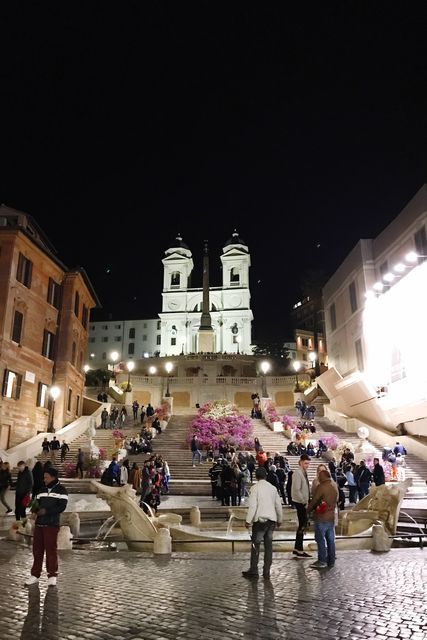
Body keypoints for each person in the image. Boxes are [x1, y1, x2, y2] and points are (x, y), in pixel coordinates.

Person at [25, 466, 68, 587]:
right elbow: (36, 504)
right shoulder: (41, 490)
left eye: (46, 477)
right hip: (39, 524)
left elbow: (61, 507)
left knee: (51, 550)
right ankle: (35, 574)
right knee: (37, 550)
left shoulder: (62, 490)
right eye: (44, 477)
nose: (44, 479)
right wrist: (33, 512)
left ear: (53, 477)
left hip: (52, 524)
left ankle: (52, 575)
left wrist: (46, 511)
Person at [242, 466, 283, 580]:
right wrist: (280, 519)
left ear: (256, 476)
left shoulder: (255, 488)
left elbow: (253, 506)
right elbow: (278, 506)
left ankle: (254, 569)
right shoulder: (273, 488)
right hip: (271, 521)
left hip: (259, 522)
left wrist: (248, 520)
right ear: (266, 476)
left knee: (255, 546)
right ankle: (267, 571)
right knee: (268, 546)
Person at [306, 468, 338, 569]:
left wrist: (307, 510)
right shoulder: (334, 486)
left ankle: (322, 560)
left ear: (322, 477)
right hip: (331, 517)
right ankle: (331, 560)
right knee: (330, 540)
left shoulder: (322, 487)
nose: (318, 478)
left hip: (321, 517)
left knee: (320, 540)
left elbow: (315, 500)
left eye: (319, 477)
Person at [291, 454, 312, 557]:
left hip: (303, 502)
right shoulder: (297, 473)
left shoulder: (303, 472)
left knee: (302, 525)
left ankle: (298, 548)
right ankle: (299, 549)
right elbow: (296, 489)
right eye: (306, 463)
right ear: (301, 462)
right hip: (300, 503)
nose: (307, 465)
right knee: (302, 525)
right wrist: (304, 501)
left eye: (308, 463)